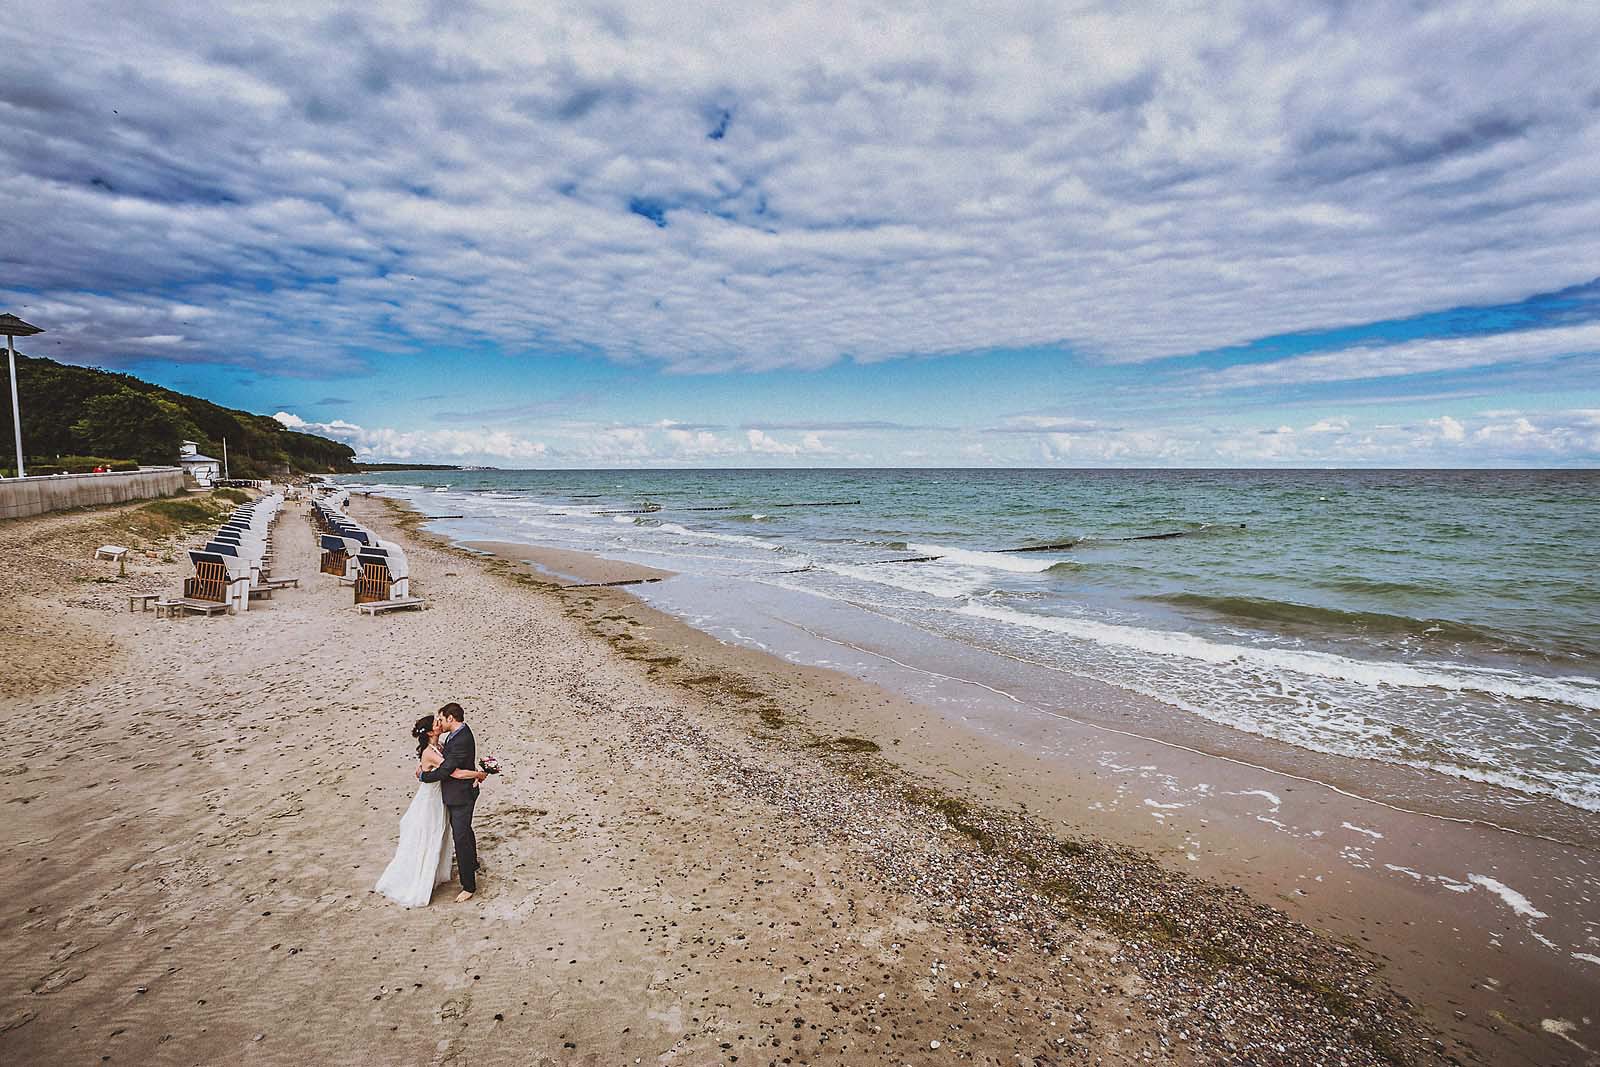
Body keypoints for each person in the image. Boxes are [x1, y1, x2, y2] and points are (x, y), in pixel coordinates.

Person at [373, 710, 484, 907]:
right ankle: (423, 874)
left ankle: (469, 865)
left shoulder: (441, 744)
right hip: (432, 799)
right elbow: (454, 773)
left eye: (440, 720)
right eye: (436, 723)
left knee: (454, 832)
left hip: (443, 797)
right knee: (429, 836)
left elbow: (440, 764)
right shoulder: (431, 751)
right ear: (430, 732)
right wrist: (479, 774)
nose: (439, 724)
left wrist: (423, 770)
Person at [418, 702, 483, 903]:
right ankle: (472, 864)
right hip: (457, 793)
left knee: (460, 837)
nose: (440, 723)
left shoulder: (458, 740)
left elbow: (449, 771)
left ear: (450, 718)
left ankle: (469, 885)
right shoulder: (456, 735)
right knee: (464, 831)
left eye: (441, 719)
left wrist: (423, 777)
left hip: (460, 796)